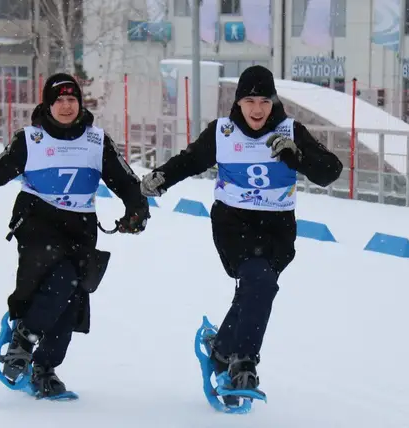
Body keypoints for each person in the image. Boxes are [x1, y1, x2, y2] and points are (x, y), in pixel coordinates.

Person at [0, 73, 150, 398]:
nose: (66, 105)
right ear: (47, 103)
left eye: (72, 99)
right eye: (59, 99)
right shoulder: (30, 140)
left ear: (80, 104)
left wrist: (137, 211)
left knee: (72, 300)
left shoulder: (96, 141)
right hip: (37, 221)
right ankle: (25, 335)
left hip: (80, 226)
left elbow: (127, 181)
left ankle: (45, 367)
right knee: (63, 278)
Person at [139, 65, 343, 399]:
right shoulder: (224, 132)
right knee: (258, 281)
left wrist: (298, 157)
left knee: (257, 287)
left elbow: (330, 172)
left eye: (264, 100)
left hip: (277, 227)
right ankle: (243, 363)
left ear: (273, 101)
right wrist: (161, 177)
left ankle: (220, 350)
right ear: (238, 103)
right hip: (234, 224)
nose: (257, 109)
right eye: (250, 100)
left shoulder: (291, 131)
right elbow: (191, 160)